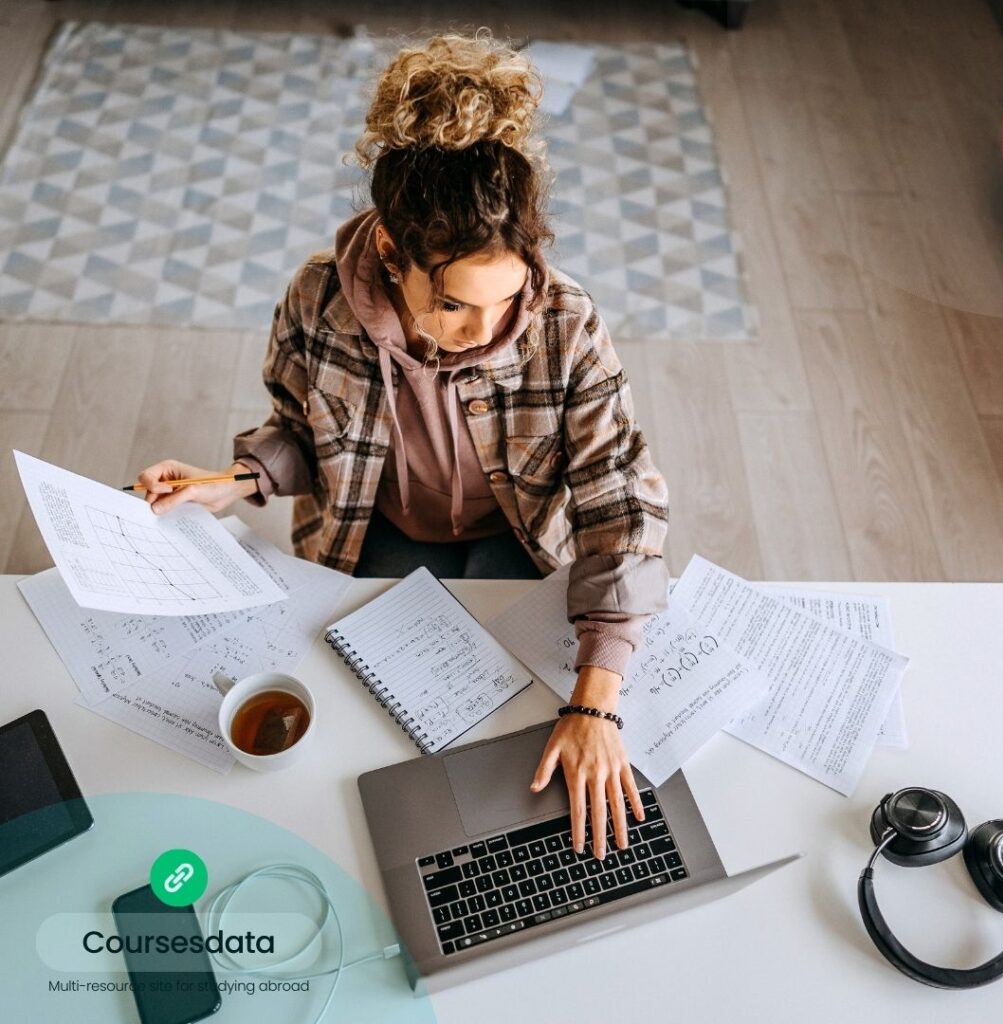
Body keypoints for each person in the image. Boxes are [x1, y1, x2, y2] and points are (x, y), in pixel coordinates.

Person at [134, 31, 670, 860]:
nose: (488, 334)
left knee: (514, 738)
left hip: (516, 545)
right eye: (456, 305)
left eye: (507, 297)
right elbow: (300, 430)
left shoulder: (565, 320)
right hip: (366, 540)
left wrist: (597, 700)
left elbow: (620, 496)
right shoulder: (317, 299)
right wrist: (240, 479)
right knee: (364, 745)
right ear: (391, 250)